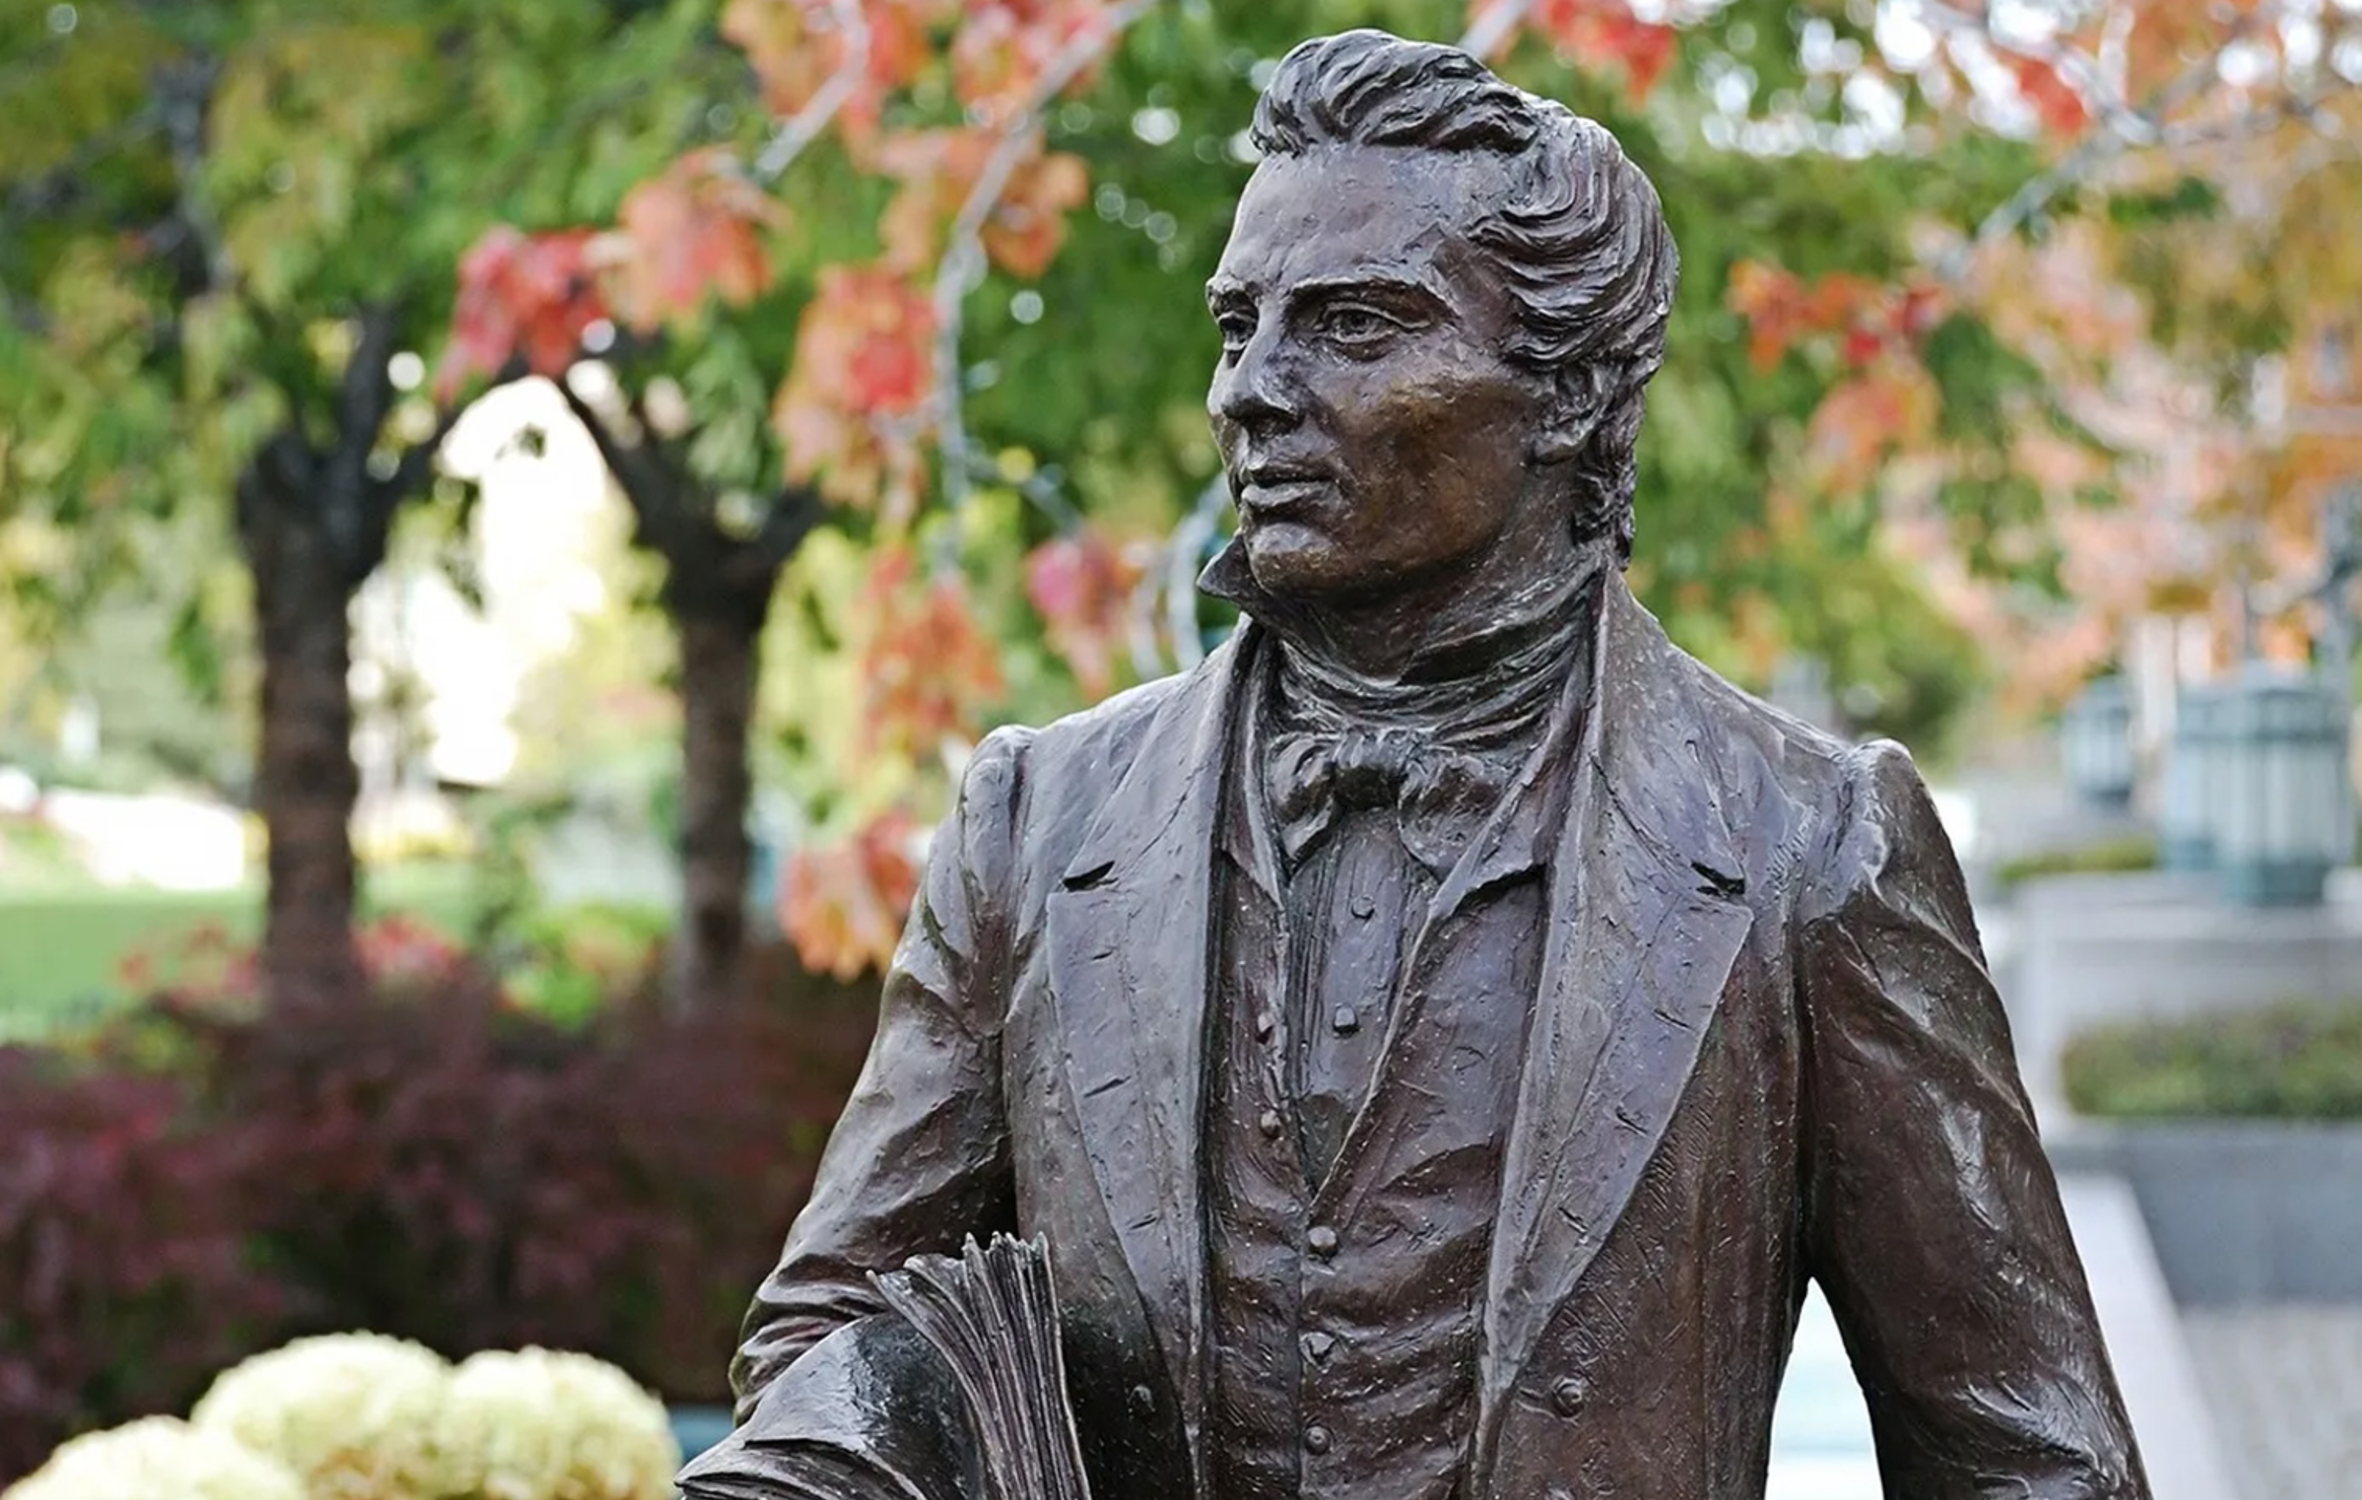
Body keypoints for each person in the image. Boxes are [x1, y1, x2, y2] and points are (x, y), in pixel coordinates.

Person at [727, 29, 2147, 1499]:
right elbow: (836, 1332)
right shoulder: (1038, 822)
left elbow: (2029, 1459)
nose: (1251, 393)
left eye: (1350, 326)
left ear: (1578, 393)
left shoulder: (1809, 848)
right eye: (1239, 327)